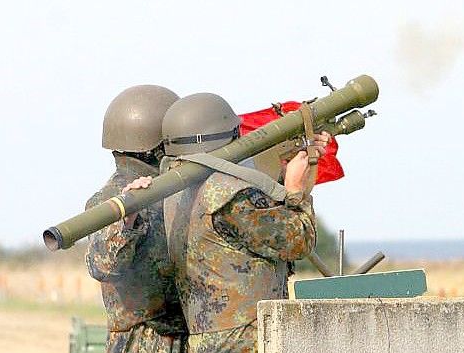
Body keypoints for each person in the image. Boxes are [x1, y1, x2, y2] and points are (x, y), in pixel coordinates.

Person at [160, 92, 326, 353]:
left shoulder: (175, 193)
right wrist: (295, 189)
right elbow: (298, 240)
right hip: (247, 340)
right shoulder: (232, 197)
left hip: (207, 339)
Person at [85, 84, 188, 353]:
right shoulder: (111, 198)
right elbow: (102, 266)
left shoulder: (171, 188)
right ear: (157, 146)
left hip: (183, 334)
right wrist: (127, 219)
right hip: (146, 341)